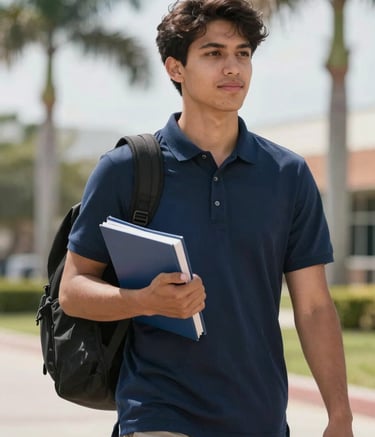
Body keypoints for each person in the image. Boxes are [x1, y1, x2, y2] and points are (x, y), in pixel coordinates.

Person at [60, 1, 354, 436]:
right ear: (175, 68)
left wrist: (340, 415)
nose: (232, 67)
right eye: (214, 54)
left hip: (260, 415)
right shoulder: (126, 168)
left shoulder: (287, 175)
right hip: (158, 409)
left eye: (242, 53)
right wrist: (144, 301)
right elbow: (73, 289)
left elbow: (312, 306)